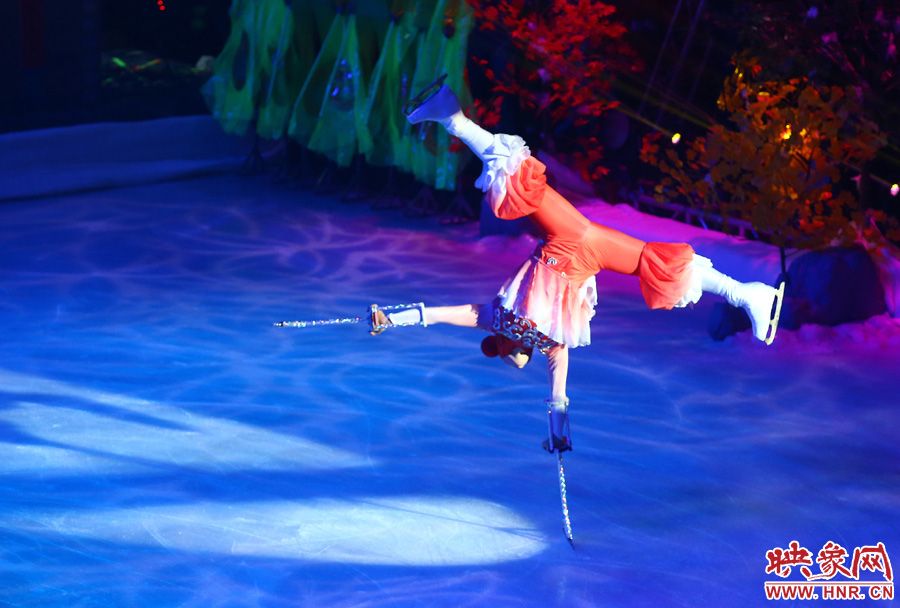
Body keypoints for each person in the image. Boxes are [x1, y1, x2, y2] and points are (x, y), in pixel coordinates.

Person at [370, 82, 784, 452]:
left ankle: (453, 117)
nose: (514, 357)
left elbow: (439, 314)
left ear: (504, 345)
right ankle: (748, 293)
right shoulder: (551, 340)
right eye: (516, 357)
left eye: (508, 355)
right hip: (587, 251)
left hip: (568, 237)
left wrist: (391, 318)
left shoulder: (496, 317)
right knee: (653, 262)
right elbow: (557, 393)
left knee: (520, 180)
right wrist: (558, 432)